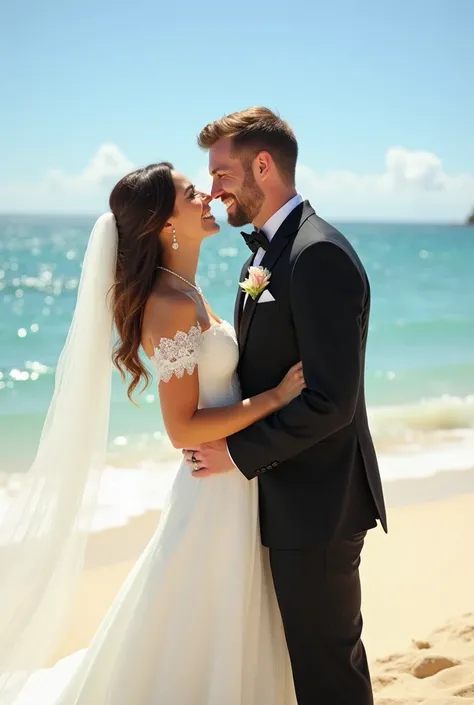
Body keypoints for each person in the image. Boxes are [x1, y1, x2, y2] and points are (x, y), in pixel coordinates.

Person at [2, 161, 302, 705]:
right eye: (192, 193)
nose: (209, 195)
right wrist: (275, 399)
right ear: (166, 223)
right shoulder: (169, 305)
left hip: (233, 475)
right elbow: (181, 426)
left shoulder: (186, 291)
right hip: (213, 485)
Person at [183, 106, 388, 705]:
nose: (213, 189)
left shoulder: (316, 253)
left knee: (328, 671)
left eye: (221, 174)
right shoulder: (265, 255)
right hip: (288, 499)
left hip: (320, 505)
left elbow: (331, 402)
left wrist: (237, 453)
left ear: (263, 166)